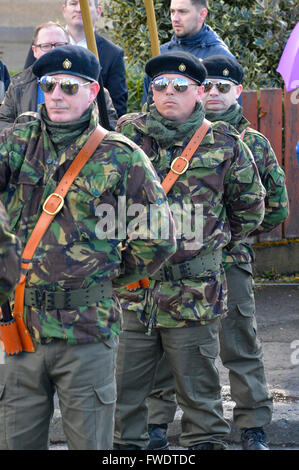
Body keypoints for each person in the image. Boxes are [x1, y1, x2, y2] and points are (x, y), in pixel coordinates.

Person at [0, 45, 176, 450]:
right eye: (48, 86)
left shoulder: (121, 155)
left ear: (93, 90)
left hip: (87, 331)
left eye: (68, 86)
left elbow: (157, 238)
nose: (57, 95)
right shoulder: (16, 142)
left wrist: (105, 274)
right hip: (21, 329)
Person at [113, 51, 266, 450]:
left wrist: (207, 247)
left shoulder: (224, 142)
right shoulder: (127, 135)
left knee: (200, 397)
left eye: (180, 87)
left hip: (194, 293)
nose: (168, 93)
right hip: (135, 292)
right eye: (160, 85)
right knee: (124, 396)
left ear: (198, 92)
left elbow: (249, 208)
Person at [146, 54, 290, 451]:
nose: (212, 93)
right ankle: (155, 422)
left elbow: (275, 207)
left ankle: (252, 426)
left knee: (239, 345)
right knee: (162, 344)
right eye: (206, 85)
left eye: (222, 87)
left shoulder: (250, 143)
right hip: (177, 269)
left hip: (230, 263)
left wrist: (223, 234)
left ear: (237, 92)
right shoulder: (163, 134)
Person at [0, 21, 117, 131]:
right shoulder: (18, 85)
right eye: (45, 46)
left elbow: (109, 125)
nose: (53, 51)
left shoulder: (88, 84)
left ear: (69, 46)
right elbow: (2, 123)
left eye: (59, 45)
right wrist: (32, 134)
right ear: (35, 51)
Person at [24, 0, 128, 118]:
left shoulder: (113, 54)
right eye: (73, 3)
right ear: (64, 9)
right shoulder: (43, 44)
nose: (79, 9)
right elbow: (26, 85)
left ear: (98, 11)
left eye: (86, 4)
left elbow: (117, 108)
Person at [142, 0, 235, 105]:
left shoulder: (221, 56)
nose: (175, 18)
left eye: (182, 12)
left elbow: (232, 115)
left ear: (202, 14)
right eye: (172, 12)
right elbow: (147, 109)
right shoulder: (161, 55)